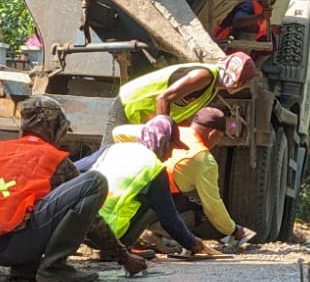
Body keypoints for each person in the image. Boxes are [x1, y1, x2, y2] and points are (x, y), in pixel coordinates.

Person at [0, 96, 148, 282]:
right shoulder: (55, 160)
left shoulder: (0, 151)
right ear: (54, 128)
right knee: (95, 182)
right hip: (16, 245)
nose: (62, 138)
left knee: (28, 206)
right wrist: (124, 258)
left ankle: (26, 267)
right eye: (62, 131)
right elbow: (92, 220)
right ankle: (54, 267)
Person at [92, 115, 212, 256]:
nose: (170, 155)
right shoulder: (155, 169)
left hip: (84, 228)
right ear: (164, 143)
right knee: (157, 203)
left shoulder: (112, 149)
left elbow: (78, 171)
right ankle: (121, 248)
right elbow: (170, 219)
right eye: (172, 147)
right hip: (110, 234)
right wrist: (192, 243)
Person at [164, 106, 255, 253]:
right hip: (158, 206)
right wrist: (233, 230)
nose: (217, 142)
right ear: (213, 134)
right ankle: (164, 235)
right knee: (198, 211)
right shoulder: (203, 159)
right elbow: (213, 206)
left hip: (137, 197)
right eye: (219, 137)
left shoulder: (174, 132)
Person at [116, 51, 256, 125]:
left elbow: (179, 114)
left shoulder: (212, 88)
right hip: (128, 106)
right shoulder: (203, 76)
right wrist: (161, 131)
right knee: (106, 162)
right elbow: (163, 98)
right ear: (240, 83)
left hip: (139, 117)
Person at [213, 0, 288, 43]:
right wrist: (260, 17)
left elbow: (260, 30)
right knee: (253, 26)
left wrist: (272, 28)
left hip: (242, 47)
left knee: (270, 38)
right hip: (224, 42)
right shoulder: (249, 5)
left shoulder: (262, 10)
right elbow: (237, 21)